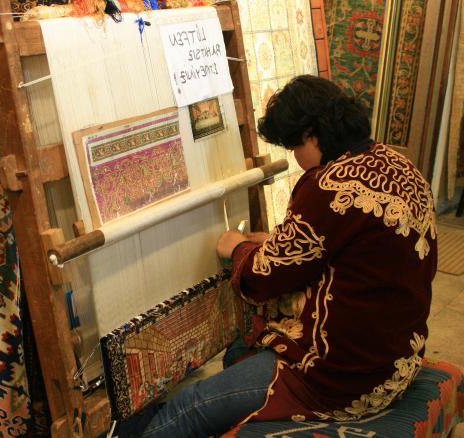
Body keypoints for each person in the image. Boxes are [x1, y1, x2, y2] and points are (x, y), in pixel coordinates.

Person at [118, 75, 436, 437]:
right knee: (241, 350)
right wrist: (279, 241)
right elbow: (354, 247)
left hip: (342, 377)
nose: (298, 160)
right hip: (397, 362)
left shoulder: (329, 186)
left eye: (294, 147)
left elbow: (261, 279)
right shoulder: (398, 164)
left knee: (190, 407)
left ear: (312, 134)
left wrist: (236, 246)